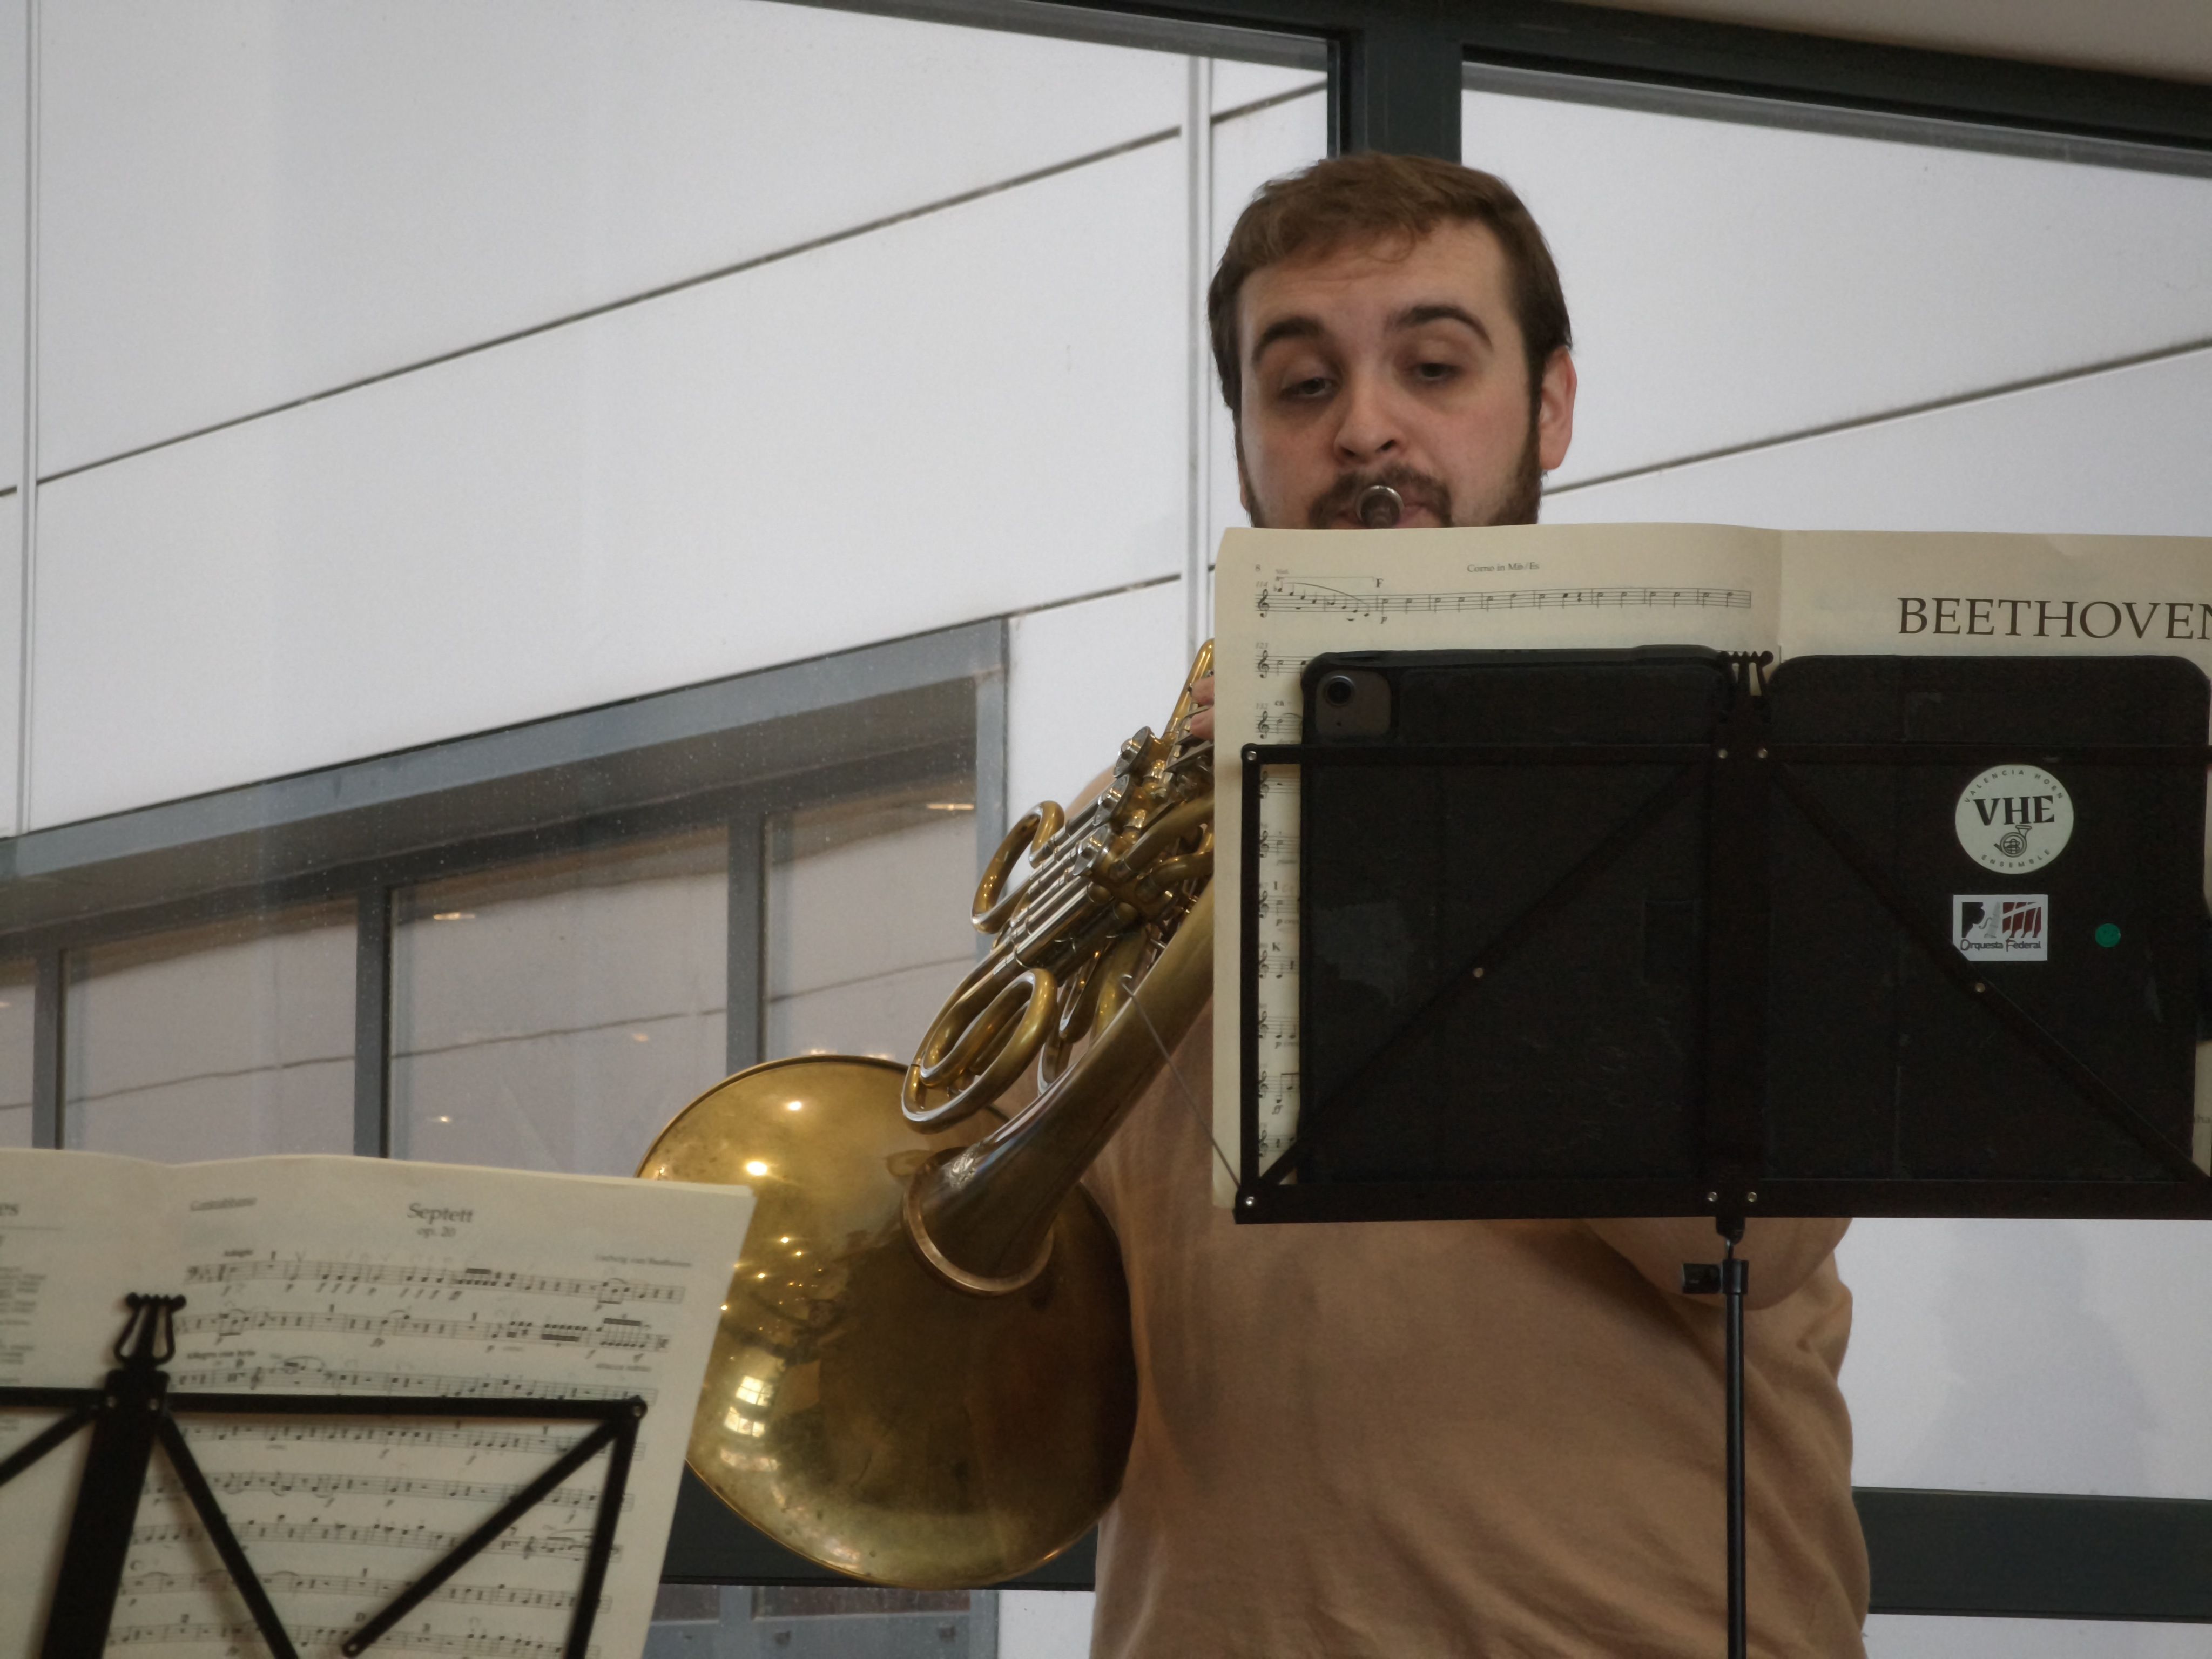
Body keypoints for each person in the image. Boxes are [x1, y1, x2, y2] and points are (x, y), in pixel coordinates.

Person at [1079, 154, 1866, 1656]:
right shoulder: (1171, 829)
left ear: (1552, 408)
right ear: (1246, 454)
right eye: (1299, 386)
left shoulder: (1728, 766)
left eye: (1433, 366)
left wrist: (1383, 822)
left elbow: (1750, 1245)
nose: (1366, 424)